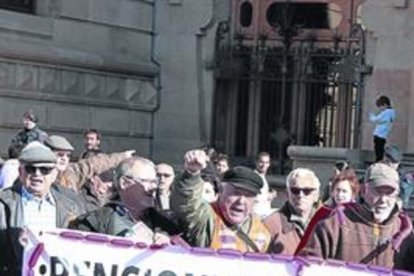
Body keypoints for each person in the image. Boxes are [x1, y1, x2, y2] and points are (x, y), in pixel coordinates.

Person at [298, 163, 413, 270]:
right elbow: (308, 267)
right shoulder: (335, 225)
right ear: (363, 190)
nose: (383, 200)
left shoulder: (404, 231)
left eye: (389, 193)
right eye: (377, 191)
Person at [0, 142, 84, 275]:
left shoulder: (71, 206)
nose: (37, 174)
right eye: (30, 169)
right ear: (21, 172)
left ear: (54, 174)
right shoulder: (3, 204)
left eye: (44, 169)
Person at [171, 149, 271, 253]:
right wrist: (192, 173)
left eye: (248, 195)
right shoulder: (206, 218)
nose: (241, 200)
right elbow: (187, 204)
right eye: (236, 192)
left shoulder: (262, 232)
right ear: (221, 191)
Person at [71, 157, 182, 243]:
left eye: (154, 182)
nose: (154, 187)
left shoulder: (165, 225)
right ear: (124, 183)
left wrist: (169, 244)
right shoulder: (92, 223)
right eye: (147, 181)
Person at [44, 135, 134, 192]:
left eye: (67, 155)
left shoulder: (71, 172)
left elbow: (95, 163)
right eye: (60, 155)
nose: (64, 159)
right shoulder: (35, 176)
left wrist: (123, 156)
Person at [264, 168, 321, 255]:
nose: (301, 195)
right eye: (295, 191)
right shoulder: (270, 224)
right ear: (287, 194)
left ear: (316, 196)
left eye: (307, 191)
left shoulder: (326, 223)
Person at [369, 95, 396, 162]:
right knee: (380, 149)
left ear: (385, 104)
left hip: (379, 134)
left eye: (381, 106)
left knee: (378, 150)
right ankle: (380, 160)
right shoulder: (391, 113)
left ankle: (379, 161)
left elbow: (377, 119)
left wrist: (371, 116)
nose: (380, 109)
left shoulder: (386, 112)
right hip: (383, 134)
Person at [253, 152, 272, 218]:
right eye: (261, 162)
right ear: (256, 162)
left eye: (266, 162)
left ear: (269, 164)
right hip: (257, 215)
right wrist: (268, 196)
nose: (264, 165)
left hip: (264, 215)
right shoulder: (254, 177)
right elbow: (252, 196)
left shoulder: (262, 177)